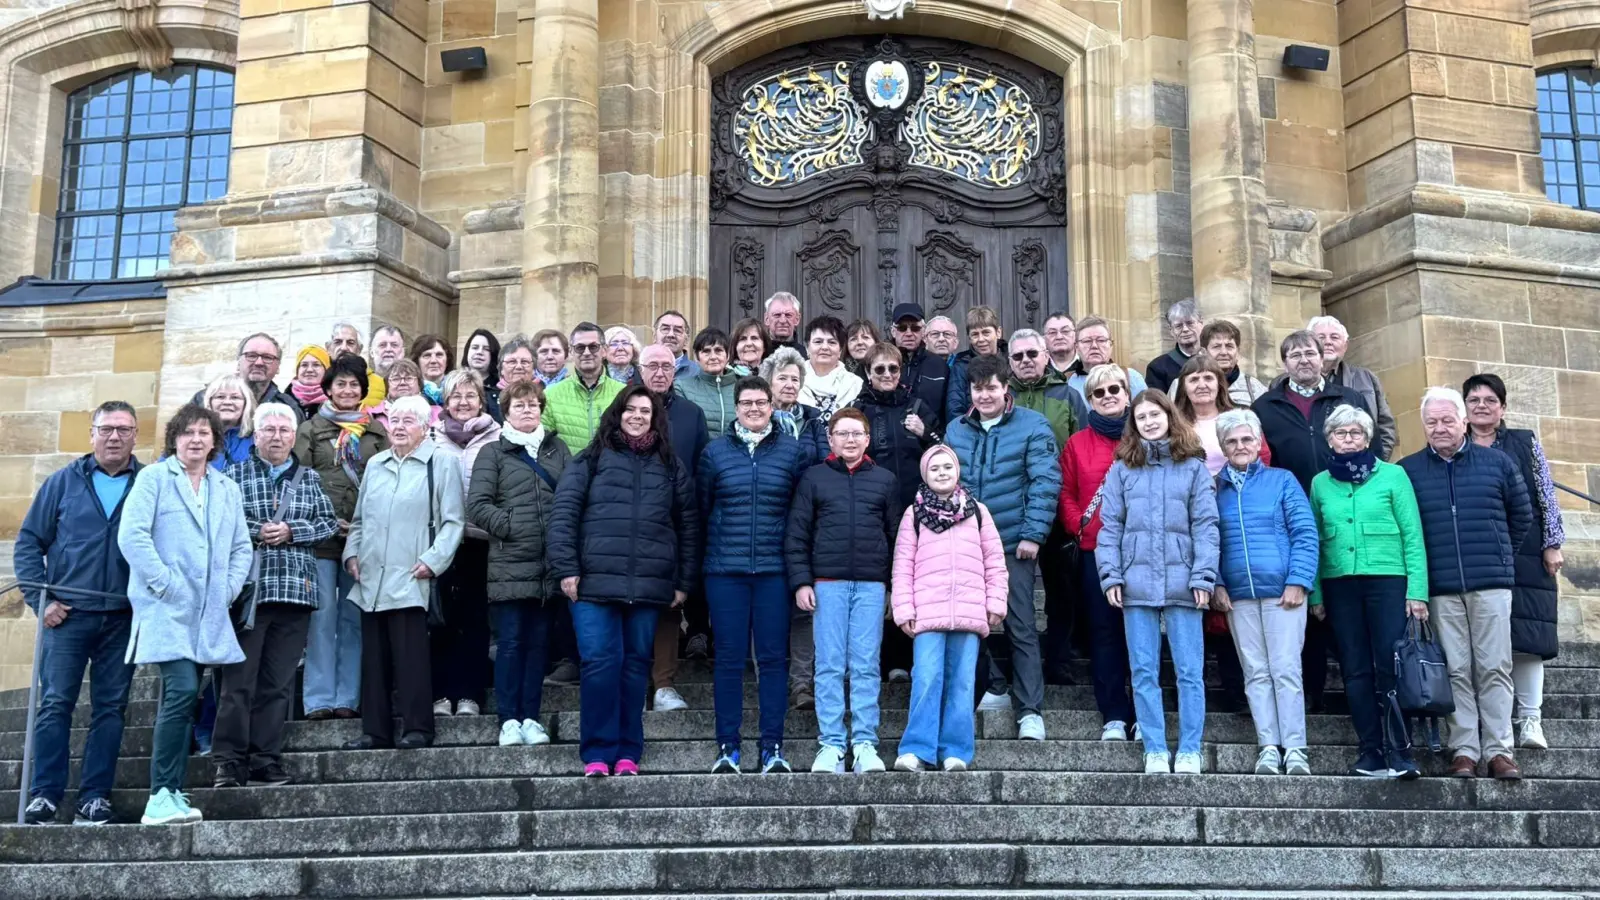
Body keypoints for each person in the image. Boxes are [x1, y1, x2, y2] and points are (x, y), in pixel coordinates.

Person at [547, 386, 699, 776]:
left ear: (655, 418)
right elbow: (564, 516)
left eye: (645, 411)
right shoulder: (590, 459)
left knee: (634, 668)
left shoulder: (670, 465)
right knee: (600, 663)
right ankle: (597, 752)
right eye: (629, 409)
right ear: (617, 413)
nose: (636, 416)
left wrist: (682, 581)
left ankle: (629, 751)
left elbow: (688, 526)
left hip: (647, 586)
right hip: (593, 586)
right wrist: (567, 568)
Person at [118, 404, 253, 825]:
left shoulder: (226, 488)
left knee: (188, 696)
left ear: (216, 441)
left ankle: (175, 792)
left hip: (207, 612)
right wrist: (164, 583)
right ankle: (158, 795)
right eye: (187, 432)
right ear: (174, 438)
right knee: (180, 688)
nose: (196, 439)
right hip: (164, 607)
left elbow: (240, 548)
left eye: (204, 433)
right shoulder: (154, 479)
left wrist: (226, 589)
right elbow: (132, 535)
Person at [15, 401, 144, 826]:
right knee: (55, 705)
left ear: (135, 435)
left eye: (123, 430)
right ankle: (45, 795)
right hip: (66, 616)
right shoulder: (62, 483)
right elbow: (29, 544)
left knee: (111, 708)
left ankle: (94, 797)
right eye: (106, 429)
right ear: (91, 434)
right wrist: (41, 602)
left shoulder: (149, 483)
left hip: (123, 617)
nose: (114, 437)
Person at [1400, 387, 1532, 781]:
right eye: (1431, 422)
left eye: (1447, 420)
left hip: (1491, 583)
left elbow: (1521, 517)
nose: (1439, 428)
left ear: (1463, 422)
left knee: (1494, 667)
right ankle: (1464, 750)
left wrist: (1500, 556)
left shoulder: (1498, 463)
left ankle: (1499, 751)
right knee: (1455, 669)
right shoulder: (1408, 471)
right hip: (1440, 587)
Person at [213, 402, 339, 789]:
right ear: (256, 433)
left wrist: (291, 531)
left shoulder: (309, 478)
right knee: (238, 683)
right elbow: (220, 523)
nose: (278, 437)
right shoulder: (232, 476)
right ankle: (229, 761)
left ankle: (265, 758)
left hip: (295, 593)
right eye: (269, 430)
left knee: (278, 684)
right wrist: (258, 530)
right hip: (248, 595)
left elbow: (328, 523)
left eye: (285, 430)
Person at [1095, 390, 1219, 775]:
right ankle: (1153, 747)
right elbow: (1110, 525)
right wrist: (1111, 573)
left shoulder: (1194, 467)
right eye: (1141, 417)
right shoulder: (1122, 468)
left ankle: (1189, 749)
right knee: (1144, 670)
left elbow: (1206, 526)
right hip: (1136, 582)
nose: (1149, 422)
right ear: (1134, 425)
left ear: (1169, 416)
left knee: (1188, 671)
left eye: (1155, 414)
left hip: (1184, 581)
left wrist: (1203, 574)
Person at [945, 354, 1060, 741]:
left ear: (1005, 387)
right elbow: (944, 484)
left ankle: (1030, 711)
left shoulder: (1033, 426)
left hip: (1013, 542)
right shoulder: (956, 430)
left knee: (1021, 625)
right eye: (978, 388)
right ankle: (993, 684)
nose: (985, 395)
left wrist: (1033, 534)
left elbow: (1044, 482)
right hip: (966, 543)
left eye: (992, 387)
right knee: (967, 622)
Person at [1308, 403, 1427, 779]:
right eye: (1340, 433)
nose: (1348, 439)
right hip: (1340, 583)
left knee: (1390, 664)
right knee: (1355, 668)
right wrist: (1316, 595)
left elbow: (1413, 535)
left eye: (1355, 432)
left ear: (1368, 437)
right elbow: (1313, 540)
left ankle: (1400, 749)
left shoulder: (1393, 476)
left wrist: (1418, 590)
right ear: (1330, 440)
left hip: (1388, 581)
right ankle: (1370, 750)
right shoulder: (1319, 483)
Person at [341, 395, 465, 751]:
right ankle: (374, 732)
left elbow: (453, 522)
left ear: (425, 428)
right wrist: (352, 553)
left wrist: (433, 561)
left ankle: (417, 729)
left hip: (413, 575)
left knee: (411, 659)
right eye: (394, 420)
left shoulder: (440, 463)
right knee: (374, 660)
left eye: (408, 420)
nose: (398, 426)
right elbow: (361, 520)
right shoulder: (376, 464)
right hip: (371, 577)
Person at [698, 376, 810, 773]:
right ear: (737, 406)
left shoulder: (793, 452)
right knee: (728, 659)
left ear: (771, 405)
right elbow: (702, 509)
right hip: (724, 572)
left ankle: (772, 748)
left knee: (773, 660)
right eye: (746, 403)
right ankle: (727, 747)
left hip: (774, 571)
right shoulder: (714, 453)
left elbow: (801, 516)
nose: (754, 409)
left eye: (761, 402)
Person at [1253, 330, 1366, 710]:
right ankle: (1312, 692)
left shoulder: (1348, 399)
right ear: (1284, 363)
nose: (1303, 360)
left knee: (1344, 603)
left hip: (1345, 513)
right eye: (1295, 355)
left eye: (1310, 353)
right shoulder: (1266, 406)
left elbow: (1372, 449)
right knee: (1303, 601)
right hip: (1291, 516)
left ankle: (1357, 692)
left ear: (1323, 358)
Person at [785, 407, 900, 774]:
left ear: (867, 439)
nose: (850, 440)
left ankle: (865, 742)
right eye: (842, 433)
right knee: (830, 665)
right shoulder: (814, 478)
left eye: (857, 434)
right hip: (827, 584)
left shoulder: (884, 479)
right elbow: (798, 532)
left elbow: (897, 535)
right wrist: (802, 581)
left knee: (866, 666)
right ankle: (831, 743)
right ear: (831, 439)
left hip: (870, 585)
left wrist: (893, 586)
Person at [1210, 408, 1319, 776]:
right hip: (1238, 595)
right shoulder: (1214, 488)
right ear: (1223, 447)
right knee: (1255, 672)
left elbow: (1305, 534)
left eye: (1246, 439)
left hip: (1281, 591)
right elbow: (1210, 541)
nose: (1240, 446)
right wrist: (1217, 584)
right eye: (1232, 441)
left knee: (1286, 669)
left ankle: (1296, 748)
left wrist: (1299, 580)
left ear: (1258, 443)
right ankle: (1269, 746)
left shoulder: (1282, 480)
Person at [1462, 373, 1565, 751]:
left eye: (1490, 399)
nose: (1482, 406)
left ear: (1502, 407)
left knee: (1527, 638)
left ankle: (1531, 720)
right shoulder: (1455, 444)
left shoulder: (1523, 442)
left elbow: (1546, 492)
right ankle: (1494, 720)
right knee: (1487, 639)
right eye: (1474, 400)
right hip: (1477, 551)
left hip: (1526, 546)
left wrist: (1553, 543)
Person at [467, 378, 572, 747]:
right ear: (506, 411)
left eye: (533, 405)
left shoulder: (557, 449)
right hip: (511, 563)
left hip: (548, 565)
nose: (527, 410)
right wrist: (511, 525)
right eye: (519, 405)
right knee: (511, 644)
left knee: (539, 646)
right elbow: (477, 504)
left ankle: (531, 717)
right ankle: (509, 719)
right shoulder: (492, 453)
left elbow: (573, 495)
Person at [890, 444, 1008, 772]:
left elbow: (995, 562)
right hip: (928, 612)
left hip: (969, 611)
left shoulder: (978, 512)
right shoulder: (914, 514)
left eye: (947, 467)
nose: (942, 473)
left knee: (962, 682)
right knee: (926, 677)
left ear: (957, 471)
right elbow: (902, 565)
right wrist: (903, 608)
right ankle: (917, 748)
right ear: (925, 475)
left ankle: (955, 749)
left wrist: (996, 601)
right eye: (934, 469)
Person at [295, 355, 389, 720]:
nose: (347, 390)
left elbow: (384, 484)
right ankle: (318, 699)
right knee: (322, 617)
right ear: (329, 389)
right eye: (341, 384)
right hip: (320, 536)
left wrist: (363, 525)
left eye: (354, 385)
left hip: (360, 539)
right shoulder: (311, 428)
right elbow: (298, 481)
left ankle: (347, 697)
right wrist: (322, 519)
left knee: (352, 619)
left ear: (363, 391)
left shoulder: (376, 432)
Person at [1059, 364, 1138, 740]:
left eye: (1115, 389)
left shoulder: (1146, 437)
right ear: (1089, 399)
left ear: (1127, 393)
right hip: (1096, 551)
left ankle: (1144, 713)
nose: (1108, 396)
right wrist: (1081, 526)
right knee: (1103, 632)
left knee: (1140, 633)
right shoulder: (1077, 444)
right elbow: (1067, 494)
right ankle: (1114, 714)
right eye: (1099, 392)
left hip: (1142, 551)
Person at [1005, 326, 1086, 686]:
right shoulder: (1001, 396)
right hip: (1010, 505)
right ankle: (1017, 659)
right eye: (1018, 356)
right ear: (1010, 361)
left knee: (1061, 588)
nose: (1025, 361)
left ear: (1045, 356)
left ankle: (1059, 659)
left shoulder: (1067, 396)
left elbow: (1081, 447)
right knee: (1012, 591)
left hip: (1055, 505)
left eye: (1032, 354)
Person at [639, 344, 711, 711]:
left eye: (667, 366)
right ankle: (637, 682)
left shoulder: (691, 413)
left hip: (675, 523)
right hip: (633, 524)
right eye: (652, 365)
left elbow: (700, 471)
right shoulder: (625, 409)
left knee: (670, 603)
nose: (660, 372)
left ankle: (664, 683)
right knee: (635, 604)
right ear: (640, 369)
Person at [427, 369, 501, 719]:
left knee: (474, 620)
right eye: (455, 396)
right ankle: (441, 693)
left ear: (481, 401)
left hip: (479, 540)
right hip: (440, 543)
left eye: (470, 395)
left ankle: (470, 693)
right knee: (440, 618)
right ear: (445, 401)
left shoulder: (497, 438)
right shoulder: (430, 438)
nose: (463, 402)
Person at [851, 342, 935, 510]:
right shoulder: (856, 412)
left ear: (900, 371)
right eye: (880, 369)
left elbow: (940, 449)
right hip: (871, 502)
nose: (887, 375)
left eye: (893, 369)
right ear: (868, 372)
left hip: (916, 502)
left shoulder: (917, 407)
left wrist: (925, 432)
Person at [1309, 315, 1397, 459]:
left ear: (1345, 346)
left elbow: (1385, 426)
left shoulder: (1366, 378)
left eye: (1335, 337)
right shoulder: (1289, 384)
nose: (1328, 342)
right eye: (1321, 337)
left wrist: (1376, 463)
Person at [1173, 353, 1271, 476]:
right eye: (1194, 380)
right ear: (1183, 387)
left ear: (1219, 384)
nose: (1202, 385)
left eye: (1208, 378)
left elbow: (1263, 456)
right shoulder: (1173, 424)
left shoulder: (1241, 417)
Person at [544, 322, 625, 454]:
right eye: (580, 347)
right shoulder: (550, 395)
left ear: (604, 350)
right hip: (567, 472)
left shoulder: (623, 393)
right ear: (571, 352)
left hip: (610, 472)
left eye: (593, 347)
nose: (586, 353)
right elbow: (544, 446)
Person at [189, 333, 299, 418]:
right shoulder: (204, 399)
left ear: (278, 367)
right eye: (251, 355)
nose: (259, 362)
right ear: (238, 363)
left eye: (267, 357)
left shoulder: (288, 407)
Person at [760, 346, 831, 467]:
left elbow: (826, 465)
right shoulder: (759, 419)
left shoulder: (812, 421)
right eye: (782, 378)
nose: (790, 385)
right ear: (768, 383)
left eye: (795, 380)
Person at [891, 303, 949, 434]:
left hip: (929, 442)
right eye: (902, 328)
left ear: (924, 331)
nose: (909, 333)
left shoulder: (939, 365)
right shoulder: (883, 363)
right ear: (893, 331)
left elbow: (947, 411)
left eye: (915, 328)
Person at [675, 327, 740, 440]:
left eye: (718, 350)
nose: (713, 357)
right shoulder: (681, 387)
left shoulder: (743, 387)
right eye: (706, 351)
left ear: (728, 355)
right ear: (696, 357)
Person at [945, 306, 1005, 425]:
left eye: (986, 332)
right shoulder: (961, 366)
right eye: (975, 334)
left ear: (998, 332)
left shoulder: (1012, 360)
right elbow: (954, 408)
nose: (981, 339)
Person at [1064, 316, 1147, 401]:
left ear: (1111, 345)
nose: (1094, 346)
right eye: (1087, 341)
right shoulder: (1066, 383)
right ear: (1076, 347)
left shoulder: (1131, 377)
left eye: (1101, 340)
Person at [799, 315, 863, 419]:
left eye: (832, 342)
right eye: (818, 342)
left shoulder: (855, 384)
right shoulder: (793, 381)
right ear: (807, 348)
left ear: (840, 350)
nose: (824, 347)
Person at [1197, 320, 1267, 407]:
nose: (1223, 352)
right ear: (1203, 352)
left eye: (1229, 346)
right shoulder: (1188, 386)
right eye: (1216, 347)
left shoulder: (1255, 389)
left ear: (1238, 352)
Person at [1145, 298, 1204, 394]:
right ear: (1171, 331)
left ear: (1201, 324)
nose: (1185, 329)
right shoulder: (1157, 368)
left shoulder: (1215, 359)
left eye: (1190, 323)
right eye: (1178, 326)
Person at [203, 374, 257, 471]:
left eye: (235, 398)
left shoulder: (258, 438)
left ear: (246, 404)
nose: (227, 402)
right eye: (220, 397)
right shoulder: (193, 435)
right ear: (209, 402)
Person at [370, 359, 439, 432]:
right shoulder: (372, 415)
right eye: (396, 379)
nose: (402, 383)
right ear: (387, 385)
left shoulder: (437, 414)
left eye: (408, 378)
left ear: (419, 384)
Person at [462, 327, 502, 416]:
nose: (479, 352)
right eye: (475, 347)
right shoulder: (454, 383)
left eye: (486, 349)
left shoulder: (501, 387)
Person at [288, 345, 331, 420]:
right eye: (304, 365)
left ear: (326, 370)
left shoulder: (335, 403)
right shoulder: (284, 400)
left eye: (316, 365)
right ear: (297, 371)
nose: (309, 370)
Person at [410, 333, 454, 404]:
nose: (433, 360)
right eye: (427, 355)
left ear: (447, 360)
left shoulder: (457, 388)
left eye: (439, 355)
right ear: (417, 361)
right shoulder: (408, 390)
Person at [654, 309, 699, 376]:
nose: (671, 334)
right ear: (654, 336)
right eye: (665, 329)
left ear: (686, 340)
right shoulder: (641, 371)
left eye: (677, 330)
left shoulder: (698, 374)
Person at [764, 291, 805, 356]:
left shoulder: (806, 356)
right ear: (767, 319)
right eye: (777, 315)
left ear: (797, 319)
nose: (782, 320)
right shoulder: (757, 354)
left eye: (788, 315)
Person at [1043, 312, 1077, 378]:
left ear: (1075, 335)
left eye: (1065, 331)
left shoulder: (1086, 364)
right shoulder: (1038, 368)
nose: (1059, 337)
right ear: (1044, 339)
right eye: (1052, 332)